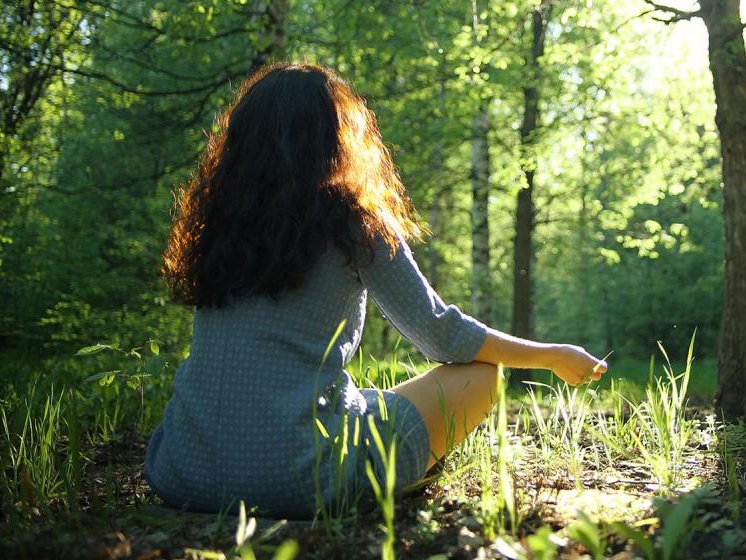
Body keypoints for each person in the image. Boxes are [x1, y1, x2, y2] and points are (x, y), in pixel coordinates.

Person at [144, 63, 608, 519]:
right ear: (338, 137)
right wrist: (551, 355)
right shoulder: (353, 224)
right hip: (301, 484)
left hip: (182, 471)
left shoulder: (217, 226)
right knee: (482, 377)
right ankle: (395, 480)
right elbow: (443, 336)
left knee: (358, 399)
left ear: (241, 141)